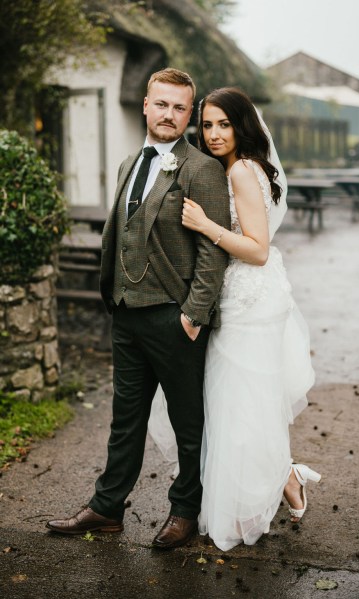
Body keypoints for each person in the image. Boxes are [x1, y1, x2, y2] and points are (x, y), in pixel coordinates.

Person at [46, 68, 231, 549]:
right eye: (161, 104)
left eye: (179, 108)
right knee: (125, 418)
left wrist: (192, 314)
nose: (169, 115)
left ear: (189, 115)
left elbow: (214, 251)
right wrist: (113, 296)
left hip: (174, 317)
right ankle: (107, 508)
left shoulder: (200, 168)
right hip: (126, 314)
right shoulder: (130, 161)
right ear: (146, 105)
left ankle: (185, 510)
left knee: (188, 422)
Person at [151, 87, 320, 551]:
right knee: (240, 403)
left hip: (250, 300)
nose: (214, 133)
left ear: (242, 125)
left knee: (240, 403)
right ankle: (281, 476)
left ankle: (267, 490)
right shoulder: (232, 167)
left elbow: (258, 250)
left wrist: (207, 226)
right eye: (207, 125)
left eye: (224, 124)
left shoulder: (244, 170)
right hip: (240, 297)